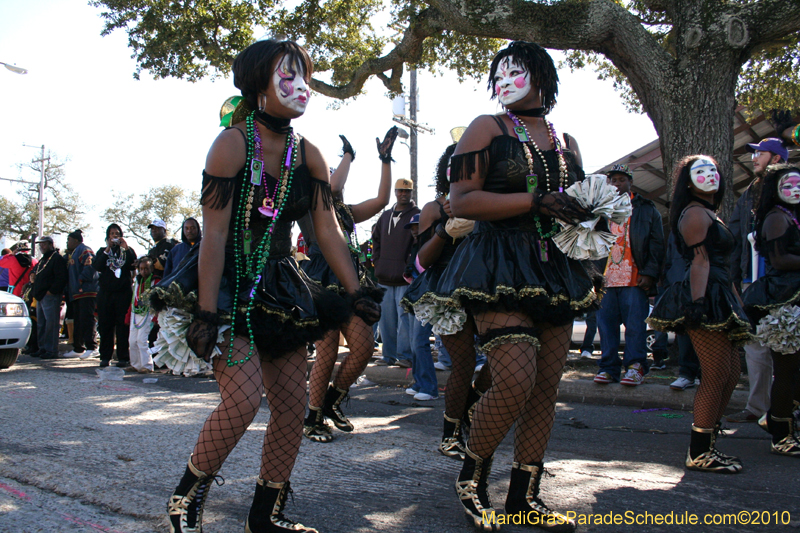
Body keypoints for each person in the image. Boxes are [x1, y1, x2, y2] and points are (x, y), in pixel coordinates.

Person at [160, 39, 379, 533]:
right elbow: (213, 233)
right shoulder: (232, 144)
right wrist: (207, 309)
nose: (300, 87)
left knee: (291, 408)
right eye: (288, 76)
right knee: (241, 400)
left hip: (281, 287)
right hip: (228, 282)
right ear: (260, 85)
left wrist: (355, 289)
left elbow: (327, 228)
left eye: (305, 77)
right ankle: (184, 500)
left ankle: (265, 517)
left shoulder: (311, 154)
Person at [430, 41, 597, 531]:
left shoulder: (566, 140)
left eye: (516, 70)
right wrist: (534, 202)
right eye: (498, 71)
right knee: (515, 378)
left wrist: (594, 222)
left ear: (543, 77)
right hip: (498, 265)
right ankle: (472, 477)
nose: (504, 79)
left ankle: (525, 496)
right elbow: (460, 200)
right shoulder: (489, 127)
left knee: (546, 388)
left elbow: (577, 204)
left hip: (555, 268)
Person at [648, 155, 751, 474]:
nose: (710, 175)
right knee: (716, 373)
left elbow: (721, 267)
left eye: (713, 170)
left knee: (731, 373)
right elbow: (700, 262)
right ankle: (700, 451)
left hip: (721, 293)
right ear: (688, 182)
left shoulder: (709, 212)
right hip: (703, 295)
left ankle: (710, 433)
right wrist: (697, 304)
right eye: (700, 171)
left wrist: (738, 306)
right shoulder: (693, 213)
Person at [302, 129, 395, 442]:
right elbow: (331, 188)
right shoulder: (313, 209)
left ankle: (332, 401)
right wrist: (348, 156)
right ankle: (313, 417)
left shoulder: (348, 213)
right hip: (322, 283)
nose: (334, 180)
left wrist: (385, 159)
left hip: (351, 284)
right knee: (326, 353)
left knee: (364, 347)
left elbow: (382, 200)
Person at [401, 142, 490, 457]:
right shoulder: (432, 208)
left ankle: (468, 408)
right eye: (457, 165)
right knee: (464, 364)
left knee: (502, 360)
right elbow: (421, 263)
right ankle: (450, 435)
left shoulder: (490, 203)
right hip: (446, 294)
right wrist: (445, 229)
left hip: (488, 289)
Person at [726, 138, 789, 424]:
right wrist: (736, 280)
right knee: (755, 346)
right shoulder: (749, 192)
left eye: (760, 153)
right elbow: (736, 236)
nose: (754, 158)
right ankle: (757, 407)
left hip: (786, 284)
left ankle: (786, 408)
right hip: (753, 283)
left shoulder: (791, 188)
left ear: (775, 158)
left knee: (789, 346)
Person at [742, 164, 800, 456]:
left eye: (799, 185)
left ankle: (776, 420)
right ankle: (781, 434)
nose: (796, 190)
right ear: (775, 190)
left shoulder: (792, 216)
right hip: (784, 301)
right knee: (786, 372)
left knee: (793, 373)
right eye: (788, 185)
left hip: (793, 298)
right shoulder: (776, 218)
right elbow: (779, 260)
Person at [594, 164, 664, 386]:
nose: (616, 183)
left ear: (630, 182)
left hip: (635, 278)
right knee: (606, 327)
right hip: (605, 280)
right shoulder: (598, 210)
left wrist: (650, 273)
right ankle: (608, 368)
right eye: (612, 180)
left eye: (621, 180)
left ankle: (636, 367)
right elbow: (587, 243)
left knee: (635, 327)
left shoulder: (646, 209)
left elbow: (657, 244)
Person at [372, 178, 419, 367]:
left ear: (412, 193)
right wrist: (378, 261)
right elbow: (375, 240)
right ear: (395, 192)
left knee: (404, 319)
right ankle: (388, 356)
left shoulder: (417, 215)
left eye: (407, 191)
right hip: (384, 276)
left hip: (404, 278)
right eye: (400, 191)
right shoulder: (385, 216)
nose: (403, 194)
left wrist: (409, 264)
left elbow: (419, 243)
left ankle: (405, 356)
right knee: (386, 320)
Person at [93, 224, 136, 368]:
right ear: (108, 236)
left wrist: (126, 248)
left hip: (122, 293)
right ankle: (105, 356)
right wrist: (107, 249)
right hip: (106, 293)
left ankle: (123, 356)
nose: (115, 236)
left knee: (122, 326)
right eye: (112, 234)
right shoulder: (102, 251)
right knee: (105, 326)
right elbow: (97, 266)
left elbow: (133, 265)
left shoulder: (127, 251)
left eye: (117, 233)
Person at [61, 230, 99, 359]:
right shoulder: (72, 254)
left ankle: (92, 347)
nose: (67, 242)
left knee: (87, 319)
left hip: (86, 291)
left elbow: (90, 268)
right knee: (78, 320)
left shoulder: (84, 250)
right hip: (76, 292)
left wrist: (81, 281)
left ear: (76, 240)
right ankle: (78, 347)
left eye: (69, 240)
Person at [31, 236, 68, 360]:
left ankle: (51, 350)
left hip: (50, 296)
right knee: (41, 324)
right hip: (40, 296)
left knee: (51, 324)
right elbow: (36, 270)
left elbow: (61, 278)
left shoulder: (57, 259)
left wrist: (51, 291)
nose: (42, 247)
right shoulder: (43, 259)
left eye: (44, 244)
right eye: (40, 245)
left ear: (51, 244)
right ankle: (42, 348)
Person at [129, 256, 155, 373]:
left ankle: (147, 365)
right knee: (132, 340)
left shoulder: (155, 281)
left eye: (146, 269)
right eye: (141, 269)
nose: (143, 271)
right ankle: (136, 364)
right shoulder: (137, 282)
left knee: (141, 340)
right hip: (135, 313)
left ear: (151, 269)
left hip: (148, 313)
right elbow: (133, 299)